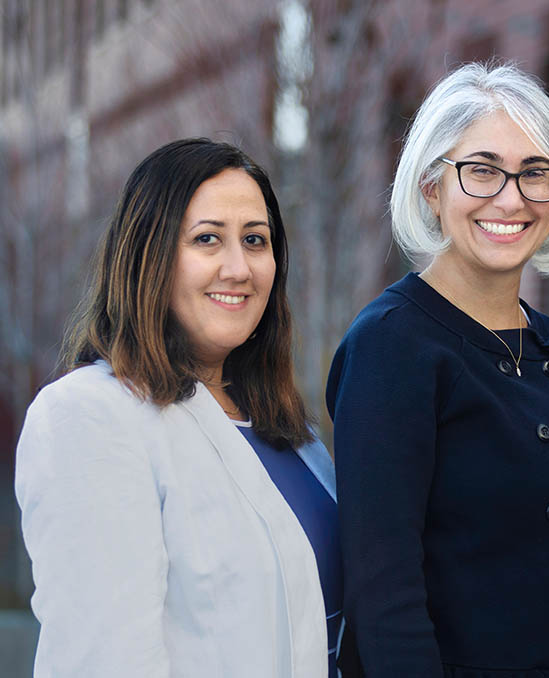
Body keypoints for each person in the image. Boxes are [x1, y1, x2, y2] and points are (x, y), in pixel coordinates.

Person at [326, 62, 549, 677]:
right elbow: (385, 595)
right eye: (482, 170)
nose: (511, 198)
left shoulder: (547, 341)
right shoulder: (392, 345)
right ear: (432, 187)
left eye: (534, 173)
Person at [16, 138, 341, 678]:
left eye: (255, 240)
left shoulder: (290, 431)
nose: (239, 268)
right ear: (149, 257)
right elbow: (104, 664)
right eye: (207, 239)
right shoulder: (90, 417)